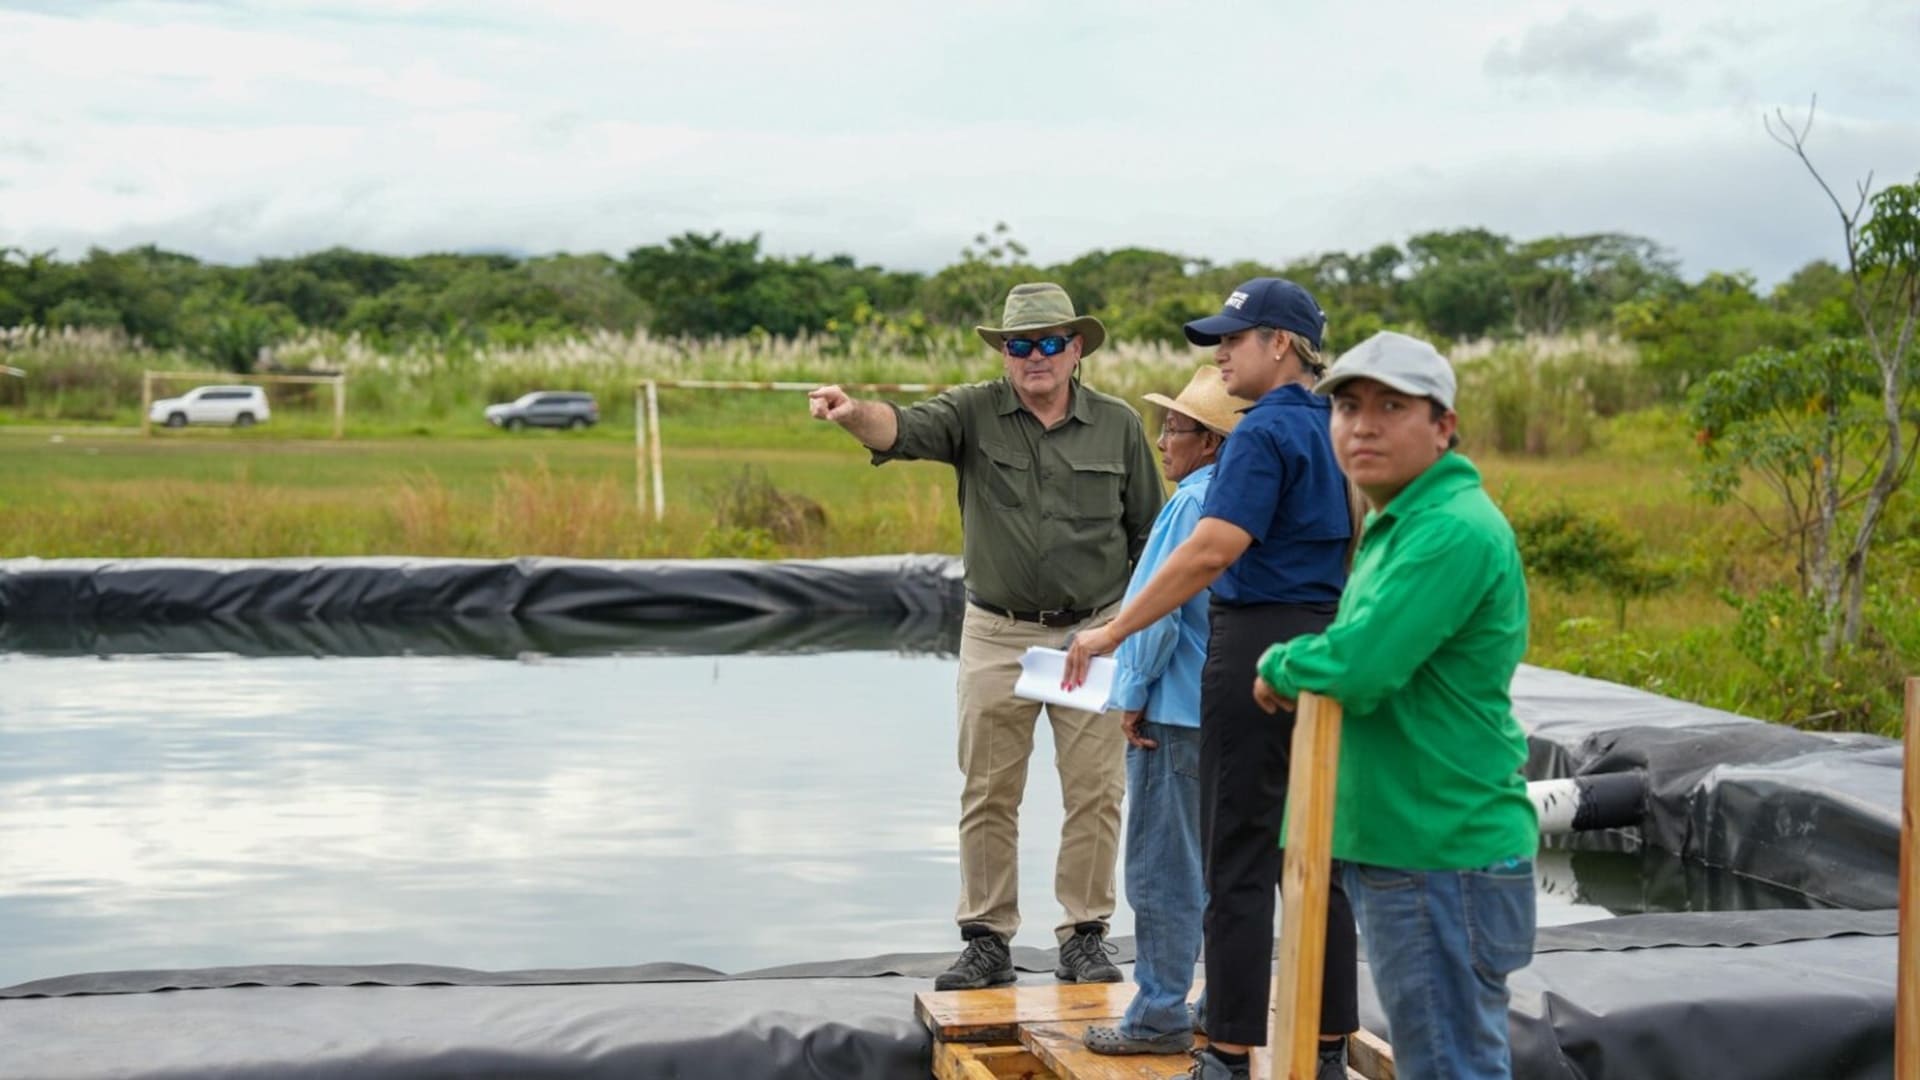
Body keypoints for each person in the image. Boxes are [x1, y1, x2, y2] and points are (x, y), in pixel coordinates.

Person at [807, 282, 1163, 990]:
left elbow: (1150, 538)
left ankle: (1085, 934)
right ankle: (986, 938)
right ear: (1004, 353)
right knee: (990, 791)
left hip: (1092, 634)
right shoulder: (971, 411)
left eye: (1050, 342)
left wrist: (1130, 636)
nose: (1035, 356)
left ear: (1076, 348)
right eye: (1020, 345)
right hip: (998, 631)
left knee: (1095, 792)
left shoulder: (1118, 425)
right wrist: (851, 415)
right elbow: (898, 430)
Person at [1062, 278, 1357, 1080]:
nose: (1220, 352)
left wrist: (1114, 630)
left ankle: (1227, 1048)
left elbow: (1211, 549)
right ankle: (1326, 1048)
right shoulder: (1340, 425)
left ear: (1282, 345)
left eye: (1234, 337)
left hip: (1256, 641)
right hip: (1326, 641)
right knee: (1321, 859)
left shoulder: (1260, 433)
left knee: (1236, 859)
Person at [1253, 331, 1536, 1080]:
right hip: (1413, 842)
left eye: (1390, 406)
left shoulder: (1446, 529)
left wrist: (1280, 662)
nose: (1362, 425)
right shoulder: (1400, 517)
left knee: (1449, 1067)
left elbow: (1360, 664)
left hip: (1439, 846)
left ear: (1442, 425)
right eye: (1347, 406)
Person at [1076, 367, 1240, 1057]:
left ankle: (1159, 1012)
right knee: (1225, 865)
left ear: (1209, 442)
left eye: (1174, 428)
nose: (1162, 441)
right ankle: (1221, 1002)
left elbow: (1156, 616)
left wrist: (1131, 695)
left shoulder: (1188, 506)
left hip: (1174, 711)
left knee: (1163, 869)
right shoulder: (1244, 507)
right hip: (1230, 710)